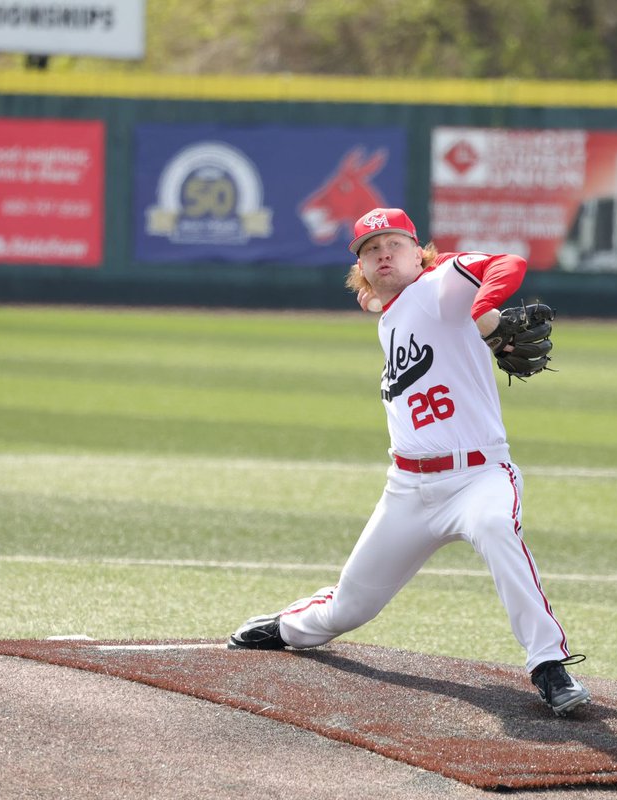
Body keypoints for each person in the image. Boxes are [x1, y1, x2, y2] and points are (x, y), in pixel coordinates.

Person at [227, 207, 590, 716]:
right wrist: (379, 299)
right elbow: (395, 305)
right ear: (362, 268)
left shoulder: (443, 283)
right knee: (349, 608)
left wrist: (485, 311)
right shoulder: (391, 313)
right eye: (370, 250)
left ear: (417, 251)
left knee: (496, 529)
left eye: (393, 244)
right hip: (407, 491)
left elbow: (507, 263)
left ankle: (548, 666)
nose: (382, 254)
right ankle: (287, 626)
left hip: (478, 476)